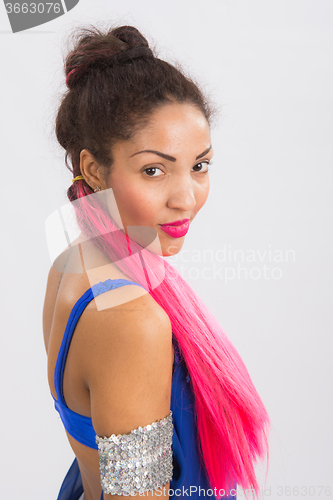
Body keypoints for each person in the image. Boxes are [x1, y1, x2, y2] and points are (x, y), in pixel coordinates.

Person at [42, 24, 270, 500]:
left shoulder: (70, 262)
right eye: (153, 170)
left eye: (200, 166)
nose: (186, 198)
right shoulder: (131, 322)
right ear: (93, 169)